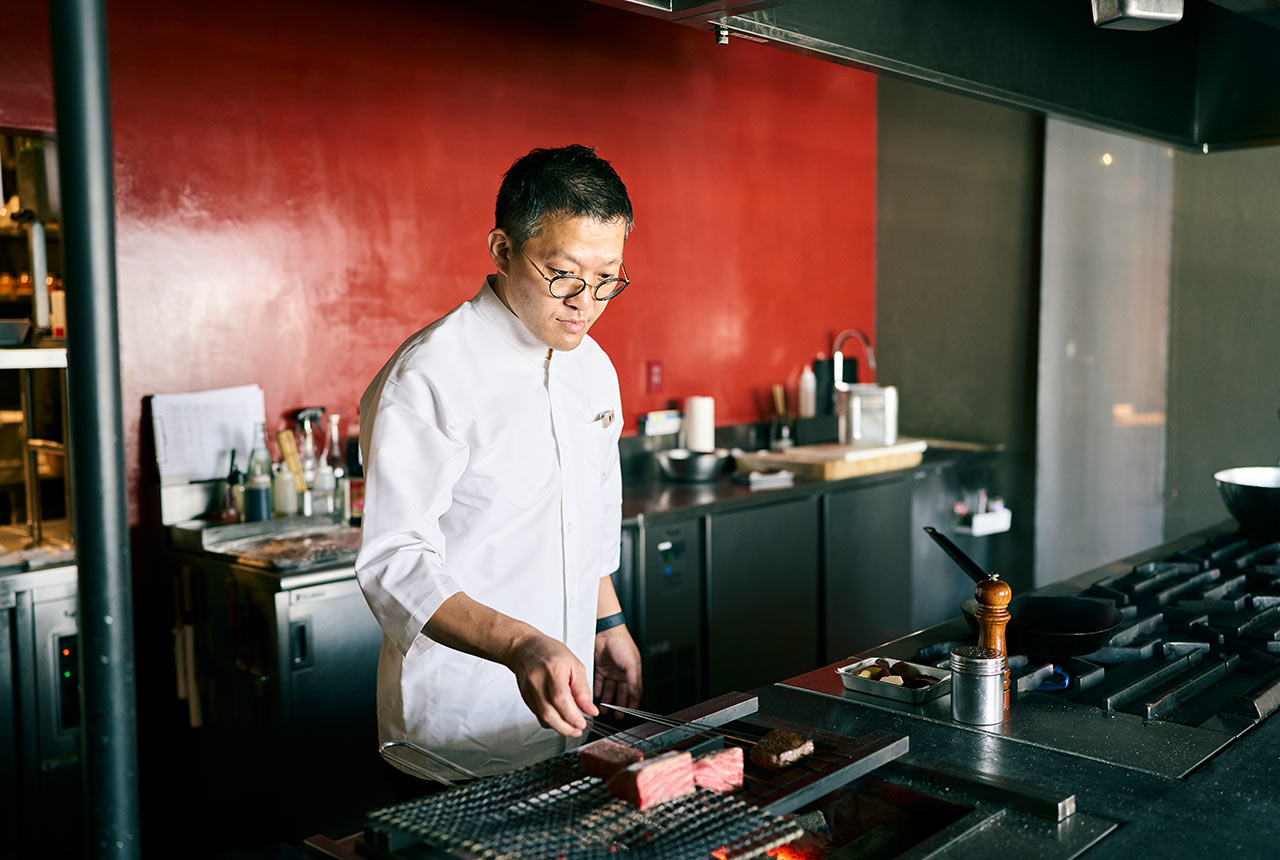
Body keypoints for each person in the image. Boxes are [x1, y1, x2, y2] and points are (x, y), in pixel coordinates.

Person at [356, 144, 643, 785]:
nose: (585, 303)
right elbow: (393, 560)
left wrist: (608, 620)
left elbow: (587, 510)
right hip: (455, 727)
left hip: (563, 714)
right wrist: (518, 644)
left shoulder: (593, 368)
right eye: (563, 274)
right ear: (503, 249)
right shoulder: (430, 374)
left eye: (607, 280)